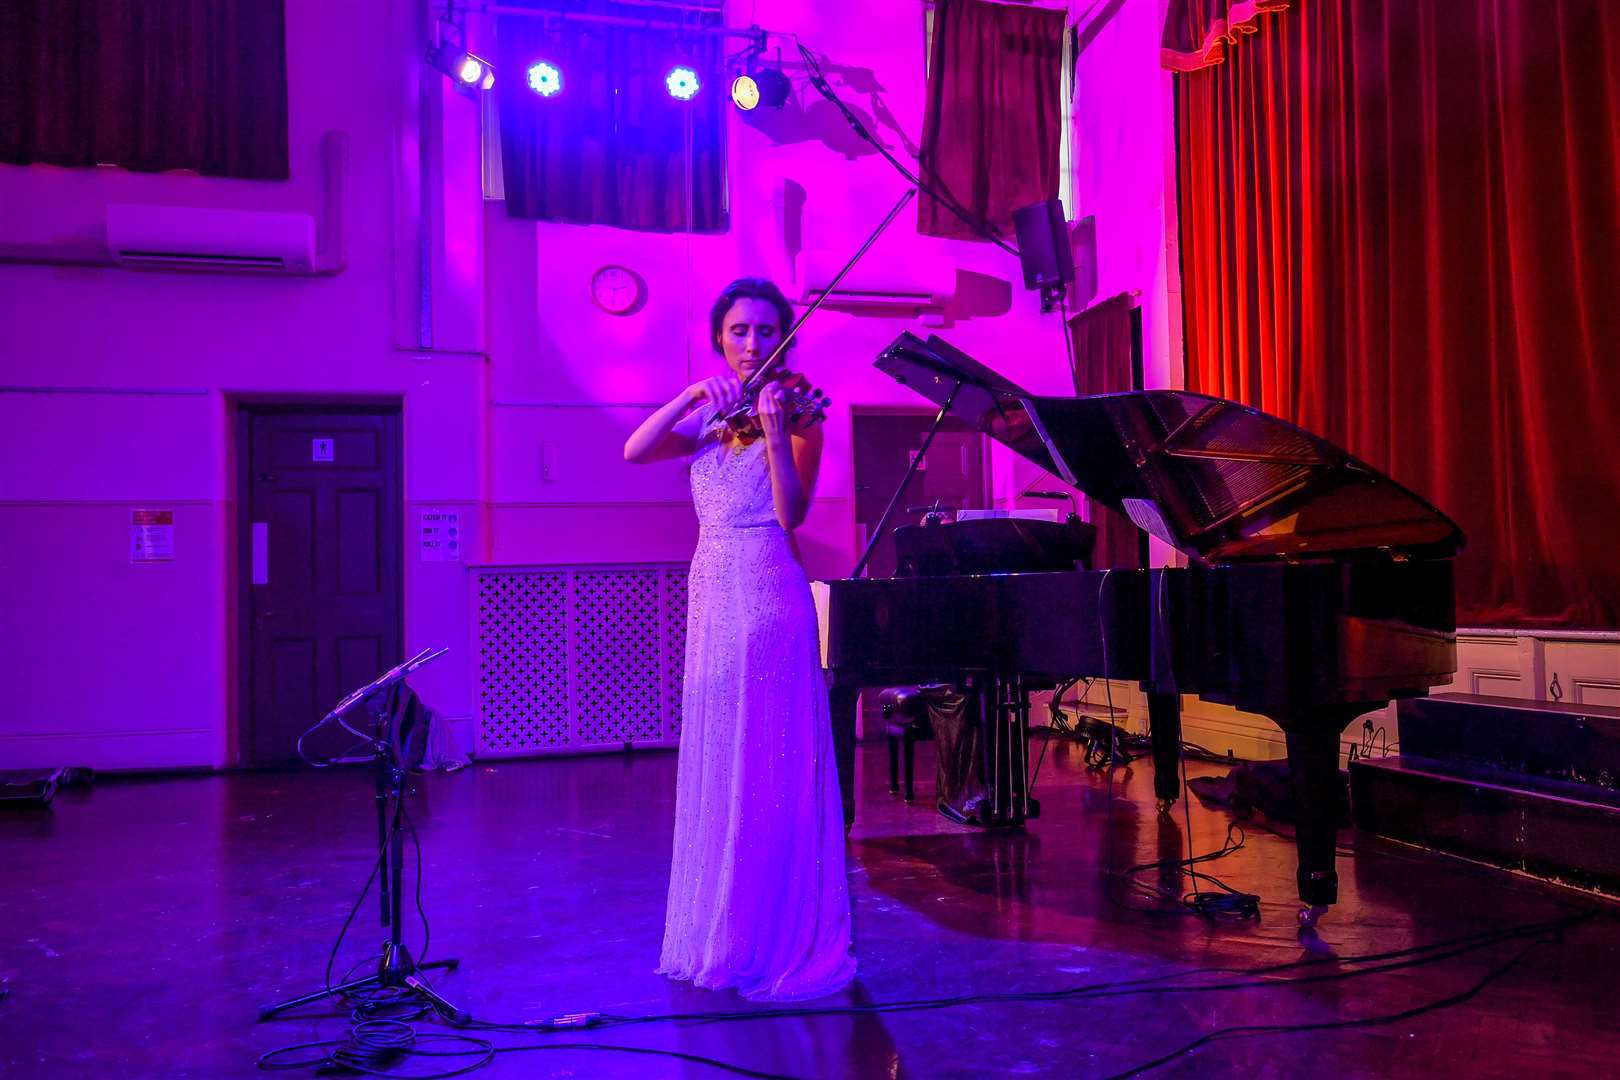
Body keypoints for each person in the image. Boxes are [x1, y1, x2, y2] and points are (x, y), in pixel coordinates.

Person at [623, 277, 855, 1001]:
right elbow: (636, 449)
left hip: (766, 594)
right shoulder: (710, 418)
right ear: (719, 338)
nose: (753, 343)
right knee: (723, 759)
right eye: (738, 331)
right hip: (711, 595)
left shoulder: (803, 414)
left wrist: (779, 430)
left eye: (764, 330)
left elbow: (790, 515)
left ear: (784, 336)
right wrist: (693, 396)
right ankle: (721, 929)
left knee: (767, 758)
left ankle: (772, 932)